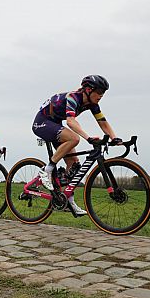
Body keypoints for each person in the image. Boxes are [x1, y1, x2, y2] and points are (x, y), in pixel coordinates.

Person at [32, 75, 118, 215]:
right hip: (42, 122)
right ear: (89, 90)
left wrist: (115, 138)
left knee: (73, 164)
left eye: (104, 92)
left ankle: (68, 202)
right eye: (100, 91)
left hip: (55, 124)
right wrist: (88, 137)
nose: (101, 95)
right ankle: (46, 170)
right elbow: (71, 122)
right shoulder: (73, 97)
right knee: (74, 138)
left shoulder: (92, 104)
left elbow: (103, 122)